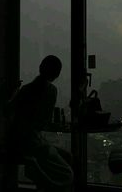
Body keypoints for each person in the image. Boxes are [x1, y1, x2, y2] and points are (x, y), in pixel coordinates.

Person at [11, 55, 73, 192]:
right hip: (33, 143)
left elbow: (11, 113)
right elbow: (42, 122)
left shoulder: (25, 90)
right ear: (56, 75)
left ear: (40, 68)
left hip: (21, 141)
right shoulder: (51, 91)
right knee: (66, 172)